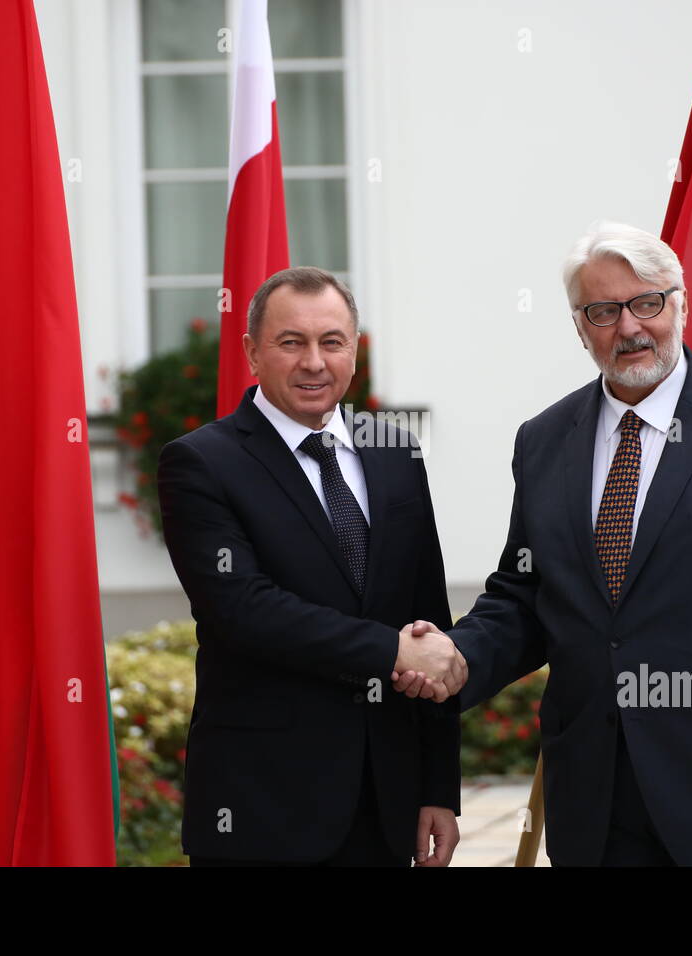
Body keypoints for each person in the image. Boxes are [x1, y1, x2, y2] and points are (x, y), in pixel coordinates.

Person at [396, 222, 692, 866]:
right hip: (597, 795)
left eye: (647, 302)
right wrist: (455, 656)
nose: (628, 327)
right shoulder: (544, 440)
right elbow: (525, 594)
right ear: (578, 325)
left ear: (681, 305)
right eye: (602, 311)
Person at [158, 266, 465, 866]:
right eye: (291, 342)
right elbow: (242, 610)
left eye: (332, 342)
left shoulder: (394, 451)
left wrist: (437, 787)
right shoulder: (200, 463)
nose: (314, 363)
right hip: (262, 808)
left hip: (386, 802)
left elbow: (427, 616)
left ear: (355, 350)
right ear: (252, 352)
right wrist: (390, 652)